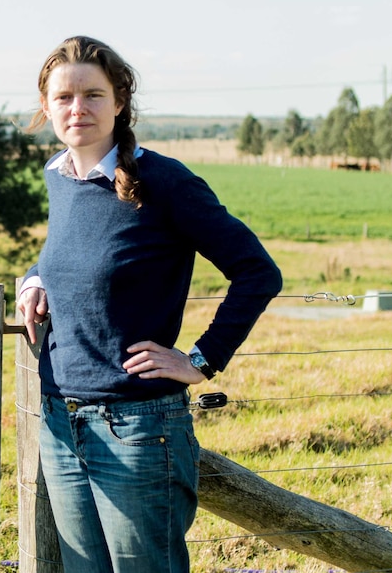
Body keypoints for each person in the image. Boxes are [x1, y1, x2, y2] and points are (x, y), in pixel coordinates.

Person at [16, 36, 283, 573]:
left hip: (137, 426)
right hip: (60, 421)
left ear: (119, 102)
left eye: (93, 95)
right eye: (64, 97)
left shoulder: (162, 180)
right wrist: (32, 278)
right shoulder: (59, 176)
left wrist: (201, 361)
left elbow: (258, 273)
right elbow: (73, 255)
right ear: (46, 107)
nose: (78, 109)